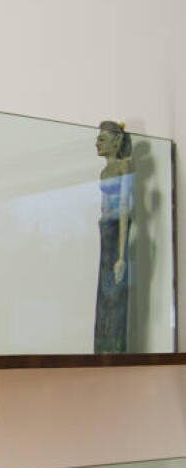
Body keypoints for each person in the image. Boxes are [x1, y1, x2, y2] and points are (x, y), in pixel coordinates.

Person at [94, 120, 134, 353]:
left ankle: (114, 349)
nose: (97, 143)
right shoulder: (104, 171)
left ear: (116, 141)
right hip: (105, 230)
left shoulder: (123, 168)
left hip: (116, 232)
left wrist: (121, 256)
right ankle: (102, 347)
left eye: (101, 138)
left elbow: (124, 210)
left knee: (114, 292)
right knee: (104, 294)